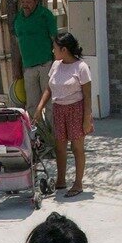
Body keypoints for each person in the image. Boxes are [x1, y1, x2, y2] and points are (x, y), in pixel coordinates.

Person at [33, 32, 93, 198]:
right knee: (59, 147)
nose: (53, 51)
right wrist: (39, 107)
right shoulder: (56, 65)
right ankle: (61, 180)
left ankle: (78, 183)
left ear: (64, 49)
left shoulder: (81, 67)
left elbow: (87, 96)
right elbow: (49, 88)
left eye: (55, 48)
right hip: (59, 110)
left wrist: (86, 119)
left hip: (76, 111)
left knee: (77, 148)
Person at [13, 0, 58, 122]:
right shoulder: (18, 19)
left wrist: (58, 66)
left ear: (36, 0)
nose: (25, 4)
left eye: (28, 1)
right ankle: (38, 138)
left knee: (50, 104)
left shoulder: (46, 15)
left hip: (46, 65)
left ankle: (53, 139)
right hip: (28, 67)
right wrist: (17, 67)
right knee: (32, 105)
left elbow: (55, 40)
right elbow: (18, 45)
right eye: (22, 2)